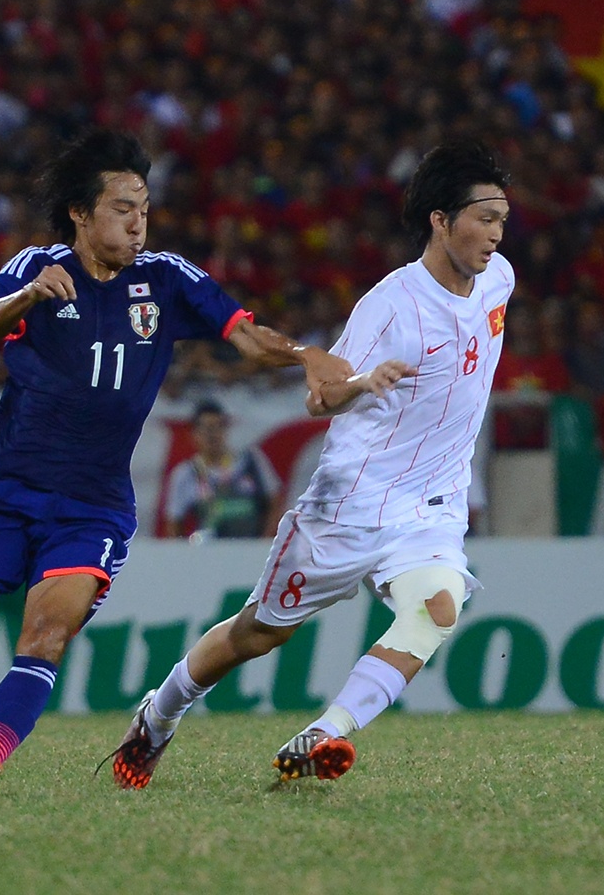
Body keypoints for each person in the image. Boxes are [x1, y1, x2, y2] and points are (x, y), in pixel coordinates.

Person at [0, 128, 369, 796]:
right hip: (7, 493)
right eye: (122, 209)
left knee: (46, 635)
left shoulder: (166, 279)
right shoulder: (38, 266)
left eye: (144, 208)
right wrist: (28, 297)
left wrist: (304, 355)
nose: (138, 223)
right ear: (81, 214)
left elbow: (246, 337)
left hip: (92, 509)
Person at [107, 140, 511, 790]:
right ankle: (158, 715)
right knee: (259, 632)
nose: (495, 235)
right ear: (440, 221)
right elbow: (320, 398)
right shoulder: (392, 305)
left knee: (437, 608)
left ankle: (325, 733)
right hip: (351, 502)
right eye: (484, 219)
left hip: (430, 503)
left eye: (501, 221)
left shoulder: (499, 280)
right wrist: (362, 383)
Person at [162, 399, 286, 539]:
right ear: (194, 434)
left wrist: (265, 541)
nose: (212, 435)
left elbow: (275, 501)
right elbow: (174, 523)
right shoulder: (186, 474)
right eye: (207, 429)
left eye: (218, 427)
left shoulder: (251, 462)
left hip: (251, 545)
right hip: (210, 549)